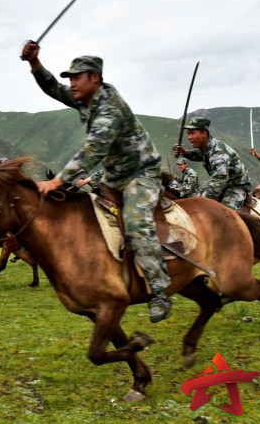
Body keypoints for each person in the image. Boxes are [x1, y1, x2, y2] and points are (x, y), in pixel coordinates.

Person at [21, 41, 171, 323]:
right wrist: (34, 63)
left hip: (140, 174)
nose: (72, 83)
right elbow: (54, 88)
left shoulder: (110, 109)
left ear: (96, 78)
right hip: (114, 176)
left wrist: (57, 182)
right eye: (71, 78)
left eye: (77, 77)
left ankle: (159, 290)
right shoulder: (85, 99)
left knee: (136, 223)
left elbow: (93, 151)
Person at [173, 117, 253, 210]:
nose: (189, 138)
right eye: (188, 134)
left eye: (193, 133)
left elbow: (219, 180)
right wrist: (184, 153)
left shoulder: (218, 153)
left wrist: (202, 202)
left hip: (236, 186)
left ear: (204, 133)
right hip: (224, 184)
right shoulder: (206, 147)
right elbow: (199, 155)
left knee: (224, 215)